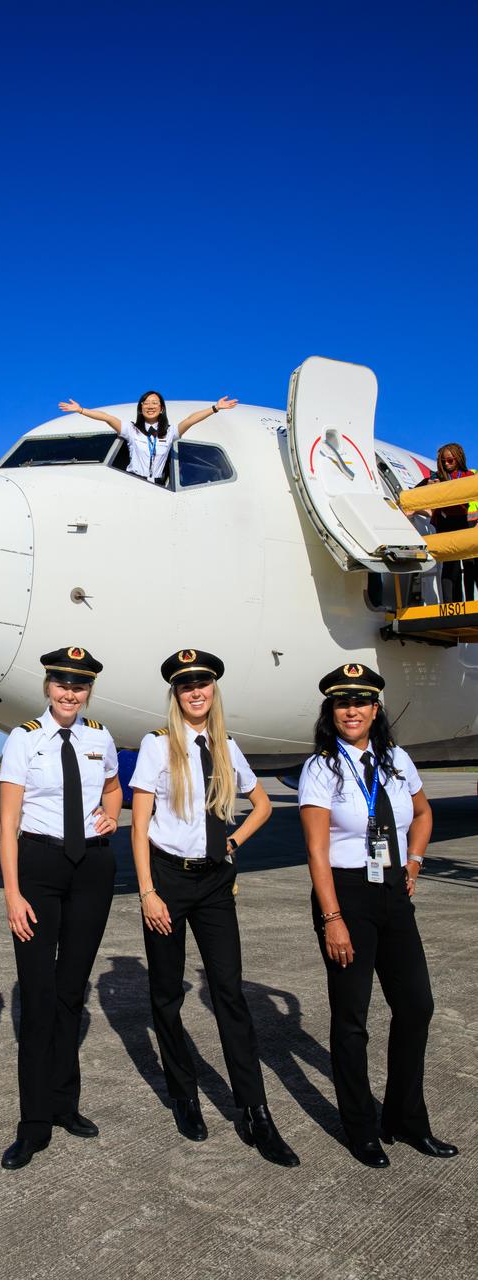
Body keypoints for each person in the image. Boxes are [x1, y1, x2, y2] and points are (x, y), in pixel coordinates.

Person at [130, 648, 299, 1167]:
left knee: (230, 994)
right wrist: (148, 894)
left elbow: (263, 804)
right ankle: (184, 1093)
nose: (196, 691)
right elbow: (138, 825)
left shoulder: (225, 745)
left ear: (213, 690)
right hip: (166, 881)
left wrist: (234, 843)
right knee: (166, 995)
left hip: (214, 885)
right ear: (176, 695)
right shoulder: (157, 746)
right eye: (186, 685)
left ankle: (254, 1110)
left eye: (202, 683)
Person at [297, 662, 457, 1167]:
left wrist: (414, 861)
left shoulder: (397, 760)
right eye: (343, 702)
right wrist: (333, 918)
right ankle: (361, 1128)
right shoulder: (320, 767)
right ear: (332, 710)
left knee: (416, 1006)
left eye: (361, 701)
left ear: (376, 708)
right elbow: (317, 854)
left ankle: (406, 1120)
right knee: (352, 1019)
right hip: (346, 895)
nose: (352, 710)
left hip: (392, 892)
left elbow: (424, 814)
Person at [0, 646, 122, 1169]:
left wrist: (111, 815)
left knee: (71, 991)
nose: (71, 693)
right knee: (38, 992)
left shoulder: (100, 736)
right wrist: (11, 893)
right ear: (48, 686)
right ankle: (33, 1122)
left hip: (92, 869)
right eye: (62, 684)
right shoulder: (23, 738)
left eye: (80, 685)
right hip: (39, 867)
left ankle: (65, 1105)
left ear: (88, 690)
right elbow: (7, 822)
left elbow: (113, 787)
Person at [57, 390, 238, 483]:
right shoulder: (131, 430)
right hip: (134, 480)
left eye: (155, 403)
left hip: (157, 485)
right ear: (141, 407)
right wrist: (80, 410)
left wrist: (215, 408)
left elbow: (190, 420)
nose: (150, 406)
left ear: (161, 408)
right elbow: (107, 418)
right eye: (146, 403)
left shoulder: (169, 433)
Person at [413, 443, 477, 602]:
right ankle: (450, 606)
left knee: (470, 564)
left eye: (450, 460)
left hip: (464, 524)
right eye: (443, 461)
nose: (446, 464)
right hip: (445, 525)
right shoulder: (436, 478)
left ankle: (469, 604)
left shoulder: (469, 476)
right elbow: (411, 495)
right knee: (450, 567)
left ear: (459, 458)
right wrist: (427, 488)